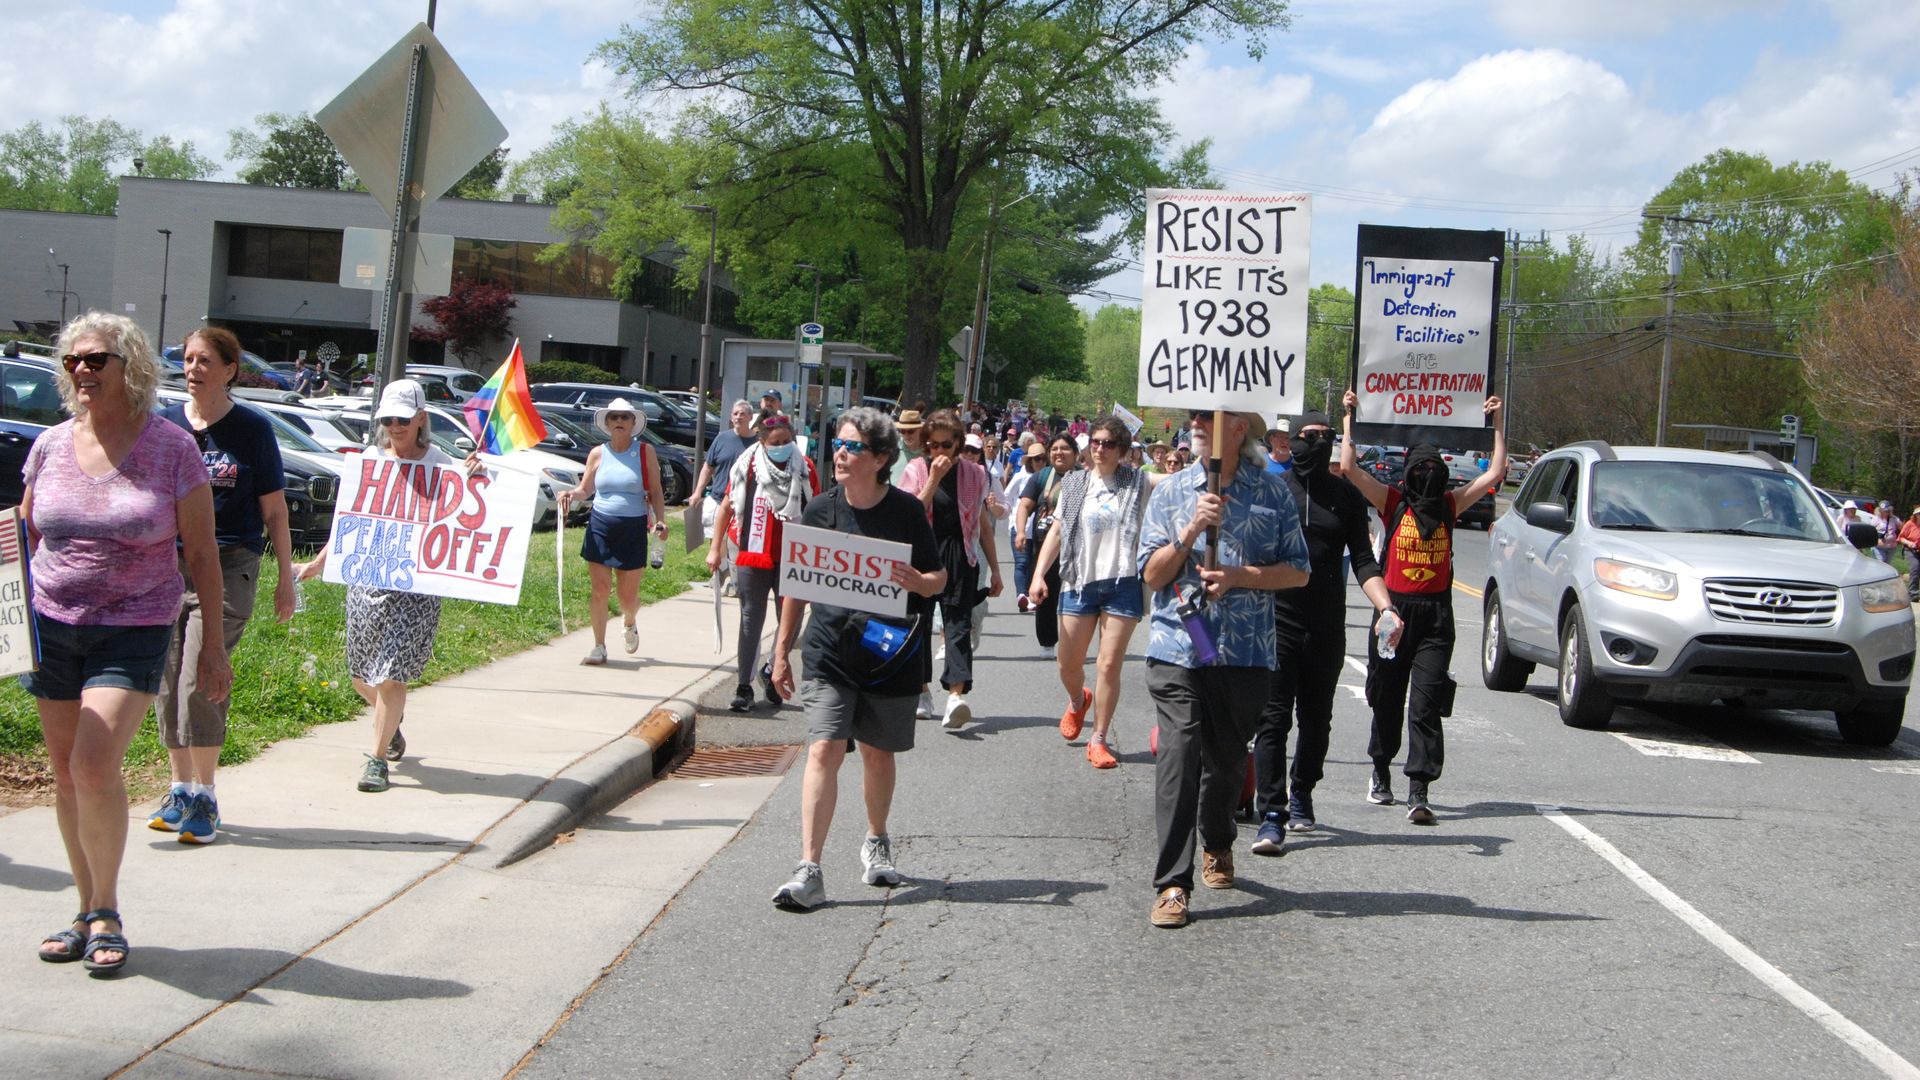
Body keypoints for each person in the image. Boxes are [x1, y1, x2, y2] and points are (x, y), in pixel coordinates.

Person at [25, 312, 229, 975]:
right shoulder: (51, 445)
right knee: (64, 773)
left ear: (130, 367)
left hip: (134, 624)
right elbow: (29, 532)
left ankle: (108, 907)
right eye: (73, 362)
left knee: (91, 763)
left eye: (96, 361)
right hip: (51, 623)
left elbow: (200, 550)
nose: (82, 371)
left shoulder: (171, 449)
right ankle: (84, 910)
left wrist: (214, 648)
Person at [768, 409, 946, 910]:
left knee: (876, 752)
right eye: (837, 445)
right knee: (823, 747)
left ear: (882, 458)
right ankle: (809, 867)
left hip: (886, 654)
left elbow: (939, 579)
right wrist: (782, 652)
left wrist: (919, 582)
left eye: (852, 447)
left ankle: (876, 839)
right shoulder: (820, 510)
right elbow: (794, 589)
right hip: (828, 652)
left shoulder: (907, 512)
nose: (840, 454)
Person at [1138, 410, 1310, 928]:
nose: (1197, 421)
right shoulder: (1170, 491)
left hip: (1246, 651)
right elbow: (1151, 574)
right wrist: (1192, 528)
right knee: (1180, 747)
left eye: (1212, 415)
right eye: (1194, 414)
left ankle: (1218, 840)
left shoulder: (1273, 493)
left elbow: (1299, 572)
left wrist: (1239, 576)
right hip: (1178, 645)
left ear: (1239, 429)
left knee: (1227, 759)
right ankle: (1172, 881)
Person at [294, 379, 481, 793]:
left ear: (421, 419)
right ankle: (390, 725)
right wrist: (319, 563)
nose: (395, 427)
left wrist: (478, 477)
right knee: (362, 675)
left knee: (392, 675)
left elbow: (471, 512)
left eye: (402, 419)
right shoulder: (369, 464)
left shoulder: (442, 465)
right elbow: (350, 521)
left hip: (416, 588)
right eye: (388, 420)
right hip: (366, 582)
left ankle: (375, 760)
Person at [151, 327, 297, 846]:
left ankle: (207, 796)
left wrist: (285, 577)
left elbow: (274, 510)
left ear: (231, 368)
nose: (193, 368)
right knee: (167, 681)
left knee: (199, 674)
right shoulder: (166, 426)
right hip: (169, 567)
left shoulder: (252, 429)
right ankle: (180, 789)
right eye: (188, 360)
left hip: (232, 562)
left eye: (205, 360)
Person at [1338, 388, 1506, 824]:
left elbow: (1494, 475)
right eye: (1420, 468)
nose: (1427, 474)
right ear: (1408, 473)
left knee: (1426, 703)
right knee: (1387, 698)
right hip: (1393, 615)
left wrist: (1498, 425)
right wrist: (1349, 417)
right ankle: (1380, 771)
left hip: (1435, 618)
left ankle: (1419, 788)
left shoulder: (1451, 505)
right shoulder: (1393, 502)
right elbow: (1348, 468)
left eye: (1434, 468)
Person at [1247, 411, 1397, 853]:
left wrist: (1385, 605)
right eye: (1308, 437)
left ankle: (1302, 795)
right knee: (1273, 718)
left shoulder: (1346, 497)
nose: (1318, 443)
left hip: (1327, 625)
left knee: (1317, 719)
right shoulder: (1272, 491)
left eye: (1326, 436)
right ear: (1289, 442)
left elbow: (1365, 561)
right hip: (1277, 621)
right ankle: (1271, 813)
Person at [1027, 417, 1152, 769]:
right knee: (1068, 663)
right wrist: (1039, 576)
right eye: (1095, 442)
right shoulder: (1076, 482)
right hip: (1078, 581)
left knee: (1109, 664)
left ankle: (1099, 738)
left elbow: (1177, 482)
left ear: (1123, 451)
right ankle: (1077, 699)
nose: (1100, 448)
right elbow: (1056, 532)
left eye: (1109, 444)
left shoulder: (1137, 482)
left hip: (1122, 582)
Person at [898, 409, 1003, 729]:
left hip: (959, 553)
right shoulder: (916, 469)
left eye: (946, 445)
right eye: (932, 445)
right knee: (917, 623)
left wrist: (996, 569)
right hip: (921, 554)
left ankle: (956, 696)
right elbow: (912, 513)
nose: (939, 452)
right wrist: (933, 478)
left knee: (958, 624)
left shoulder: (974, 474)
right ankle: (921, 691)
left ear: (958, 443)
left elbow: (984, 524)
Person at [708, 413, 819, 711]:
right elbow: (727, 507)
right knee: (750, 620)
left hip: (793, 558)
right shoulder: (748, 466)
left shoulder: (805, 468)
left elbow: (818, 511)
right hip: (752, 553)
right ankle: (743, 686)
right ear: (762, 442)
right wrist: (715, 548)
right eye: (775, 443)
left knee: (790, 621)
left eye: (786, 442)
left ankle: (772, 669)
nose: (782, 447)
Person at [558, 398, 670, 665]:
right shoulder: (598, 453)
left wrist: (660, 521)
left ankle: (629, 620)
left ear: (633, 423)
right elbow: (586, 489)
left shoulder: (645, 452)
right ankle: (599, 646)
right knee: (599, 589)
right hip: (600, 525)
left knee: (627, 597)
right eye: (614, 417)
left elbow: (655, 491)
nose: (619, 421)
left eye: (624, 417)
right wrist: (570, 494)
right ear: (607, 424)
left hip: (632, 528)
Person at [1015, 434, 1080, 656]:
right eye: (1054, 449)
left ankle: (1075, 644)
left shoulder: (1087, 478)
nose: (1058, 453)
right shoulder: (1041, 477)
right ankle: (1048, 642)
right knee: (1045, 592)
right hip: (1045, 546)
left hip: (1079, 548)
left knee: (1077, 596)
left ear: (1076, 453)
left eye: (1064, 449)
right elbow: (1024, 506)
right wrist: (1021, 531)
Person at [695, 400, 757, 533]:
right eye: (735, 413)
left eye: (742, 414)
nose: (738, 417)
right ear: (731, 417)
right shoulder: (721, 438)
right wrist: (697, 492)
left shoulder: (758, 443)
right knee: (716, 545)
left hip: (745, 504)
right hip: (718, 499)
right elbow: (708, 467)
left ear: (750, 417)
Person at [1002, 443, 1044, 608]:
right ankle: (1022, 595)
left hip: (1040, 530)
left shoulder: (1048, 477)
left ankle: (1029, 595)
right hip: (1021, 527)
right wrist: (1014, 515)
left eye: (1042, 458)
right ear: (1030, 461)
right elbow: (1007, 496)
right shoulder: (1021, 476)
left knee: (1034, 563)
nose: (1040, 462)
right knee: (1021, 562)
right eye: (1036, 459)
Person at [1900, 507, 1920, 600]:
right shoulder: (1910, 524)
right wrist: (1909, 543)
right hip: (1910, 550)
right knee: (1915, 568)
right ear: (1915, 515)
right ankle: (1913, 593)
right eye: (1919, 514)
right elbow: (1901, 537)